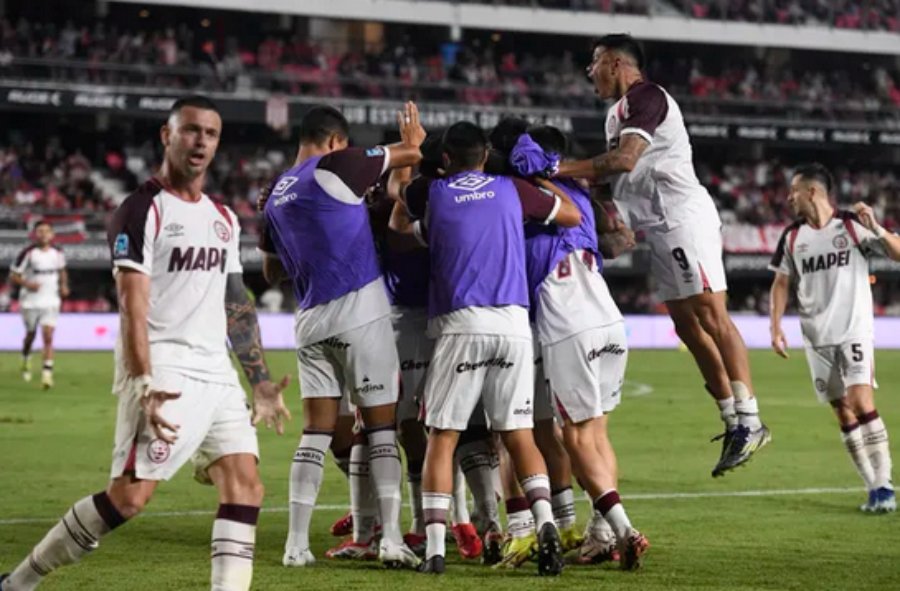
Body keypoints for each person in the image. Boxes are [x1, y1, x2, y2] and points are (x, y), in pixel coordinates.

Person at [0, 95, 291, 591]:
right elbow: (132, 306)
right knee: (129, 499)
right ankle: (21, 580)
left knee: (246, 486)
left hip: (217, 374)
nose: (201, 141)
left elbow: (235, 302)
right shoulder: (140, 210)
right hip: (166, 371)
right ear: (167, 135)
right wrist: (143, 381)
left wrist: (260, 382)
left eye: (211, 134)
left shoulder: (223, 217)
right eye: (191, 130)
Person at [557, 33, 770, 477]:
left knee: (712, 316)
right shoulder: (616, 114)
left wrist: (557, 169)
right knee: (686, 325)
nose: (589, 71)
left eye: (594, 63)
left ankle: (751, 419)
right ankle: (731, 417)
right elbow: (615, 175)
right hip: (656, 226)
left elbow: (624, 161)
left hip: (682, 218)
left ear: (615, 63)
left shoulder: (647, 96)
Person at [388, 121, 583, 575]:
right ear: (485, 154)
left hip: (461, 323)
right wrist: (538, 179)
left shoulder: (431, 191)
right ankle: (545, 521)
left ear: (447, 159)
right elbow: (571, 214)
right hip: (514, 323)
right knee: (518, 434)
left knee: (442, 436)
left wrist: (423, 229)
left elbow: (398, 221)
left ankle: (435, 549)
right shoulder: (512, 188)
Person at [259, 102, 426, 569]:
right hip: (360, 313)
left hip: (310, 321)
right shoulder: (339, 164)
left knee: (314, 432)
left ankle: (296, 546)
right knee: (379, 430)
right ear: (335, 140)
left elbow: (273, 272)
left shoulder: (273, 193)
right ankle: (391, 537)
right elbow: (409, 152)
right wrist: (414, 135)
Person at [769, 163, 896, 513]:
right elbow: (781, 282)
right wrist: (775, 326)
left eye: (794, 190)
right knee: (842, 410)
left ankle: (885, 484)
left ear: (813, 192)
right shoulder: (793, 236)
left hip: (853, 330)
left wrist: (878, 230)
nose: (789, 197)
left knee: (861, 401)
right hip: (816, 337)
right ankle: (872, 486)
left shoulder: (853, 225)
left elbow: (897, 252)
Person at [9, 220, 69, 388]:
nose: (43, 234)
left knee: (48, 335)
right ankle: (26, 357)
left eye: (46, 231)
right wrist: (29, 285)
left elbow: (62, 270)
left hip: (51, 299)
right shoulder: (27, 253)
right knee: (31, 334)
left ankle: (47, 374)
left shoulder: (58, 253)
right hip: (30, 301)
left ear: (52, 235)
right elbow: (14, 275)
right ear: (35, 234)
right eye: (40, 231)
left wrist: (64, 286)